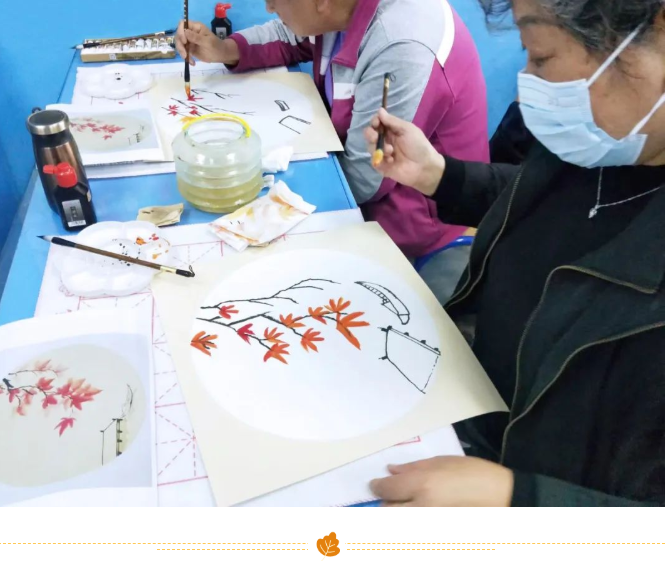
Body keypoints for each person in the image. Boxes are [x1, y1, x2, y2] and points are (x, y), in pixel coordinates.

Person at [365, 0, 665, 506]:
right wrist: (440, 175)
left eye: (541, 57)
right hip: (473, 410)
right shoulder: (608, 139)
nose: (526, 87)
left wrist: (516, 499)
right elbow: (545, 199)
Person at [176, 0, 489, 269]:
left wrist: (256, 186)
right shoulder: (342, 11)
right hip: (352, 184)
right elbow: (292, 34)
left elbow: (366, 179)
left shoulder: (402, 46)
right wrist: (224, 49)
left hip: (411, 231)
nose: (269, 7)